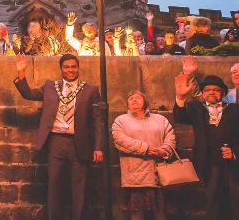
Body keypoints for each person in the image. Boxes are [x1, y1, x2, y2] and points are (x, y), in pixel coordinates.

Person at [13, 54, 105, 220]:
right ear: (61, 69)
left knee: (80, 187)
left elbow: (98, 121)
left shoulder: (90, 90)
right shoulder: (50, 86)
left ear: (78, 68)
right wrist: (21, 73)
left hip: (79, 143)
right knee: (54, 185)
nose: (70, 70)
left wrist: (98, 147)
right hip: (55, 142)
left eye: (73, 67)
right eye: (67, 67)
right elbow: (28, 94)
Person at [173, 72, 239, 220]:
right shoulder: (196, 109)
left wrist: (235, 152)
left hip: (234, 164)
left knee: (238, 201)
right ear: (203, 94)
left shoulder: (237, 110)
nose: (211, 92)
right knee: (213, 202)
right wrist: (180, 97)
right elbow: (179, 117)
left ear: (223, 93)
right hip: (209, 164)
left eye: (216, 90)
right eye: (208, 89)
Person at [112, 90, 176, 220]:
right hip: (135, 175)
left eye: (138, 98)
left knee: (160, 211)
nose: (134, 100)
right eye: (131, 99)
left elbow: (171, 138)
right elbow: (119, 140)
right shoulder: (121, 121)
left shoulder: (160, 119)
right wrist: (145, 148)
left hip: (158, 173)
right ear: (127, 104)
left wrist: (164, 150)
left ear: (145, 101)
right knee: (137, 212)